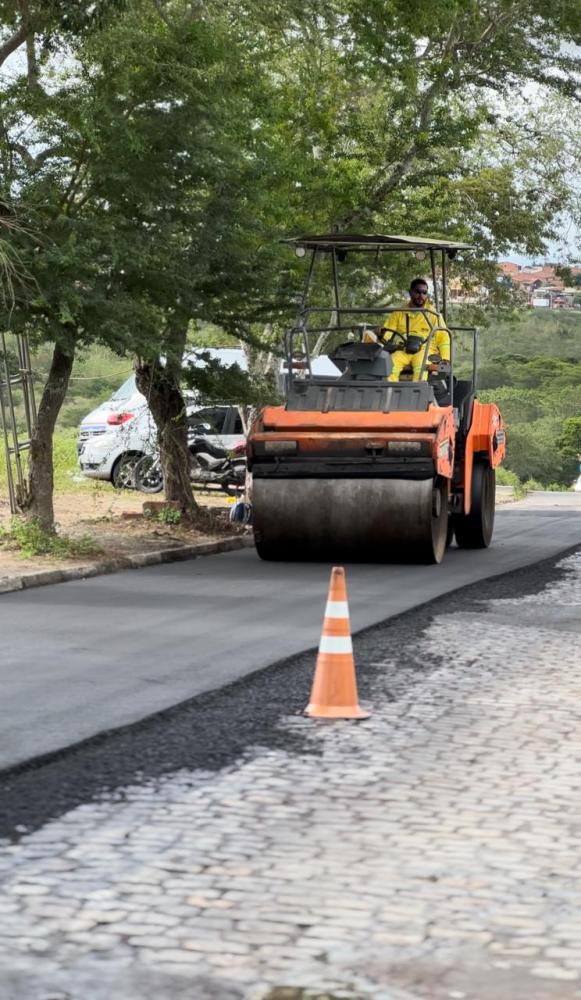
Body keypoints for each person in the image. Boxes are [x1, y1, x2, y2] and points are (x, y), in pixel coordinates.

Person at [380, 278, 450, 383]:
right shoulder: (399, 312)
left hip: (425, 350)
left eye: (424, 292)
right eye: (417, 292)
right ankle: (390, 394)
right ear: (410, 292)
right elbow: (388, 331)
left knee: (421, 367)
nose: (421, 295)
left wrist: (445, 359)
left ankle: (418, 396)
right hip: (404, 349)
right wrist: (380, 336)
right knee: (391, 364)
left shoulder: (433, 314)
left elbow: (443, 338)